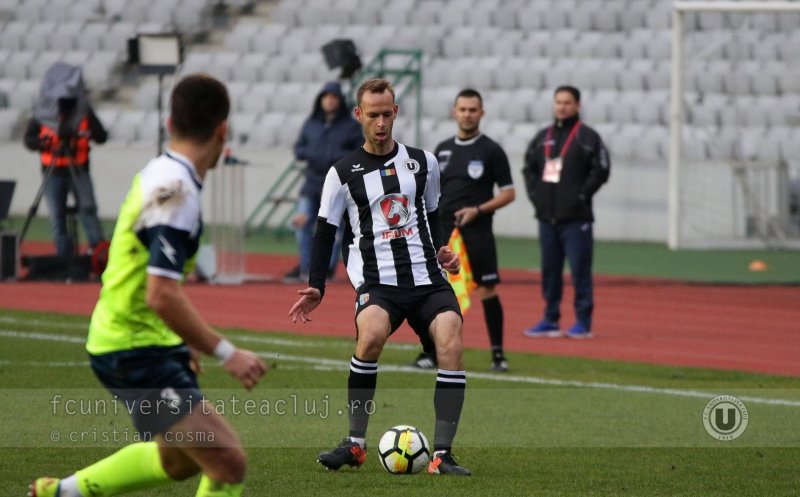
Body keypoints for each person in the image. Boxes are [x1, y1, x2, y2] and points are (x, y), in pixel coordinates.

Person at [29, 74, 267, 497]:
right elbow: (161, 293)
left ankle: (60, 493)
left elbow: (143, 272)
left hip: (143, 339)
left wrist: (181, 339)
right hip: (132, 348)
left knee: (178, 460)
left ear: (170, 123)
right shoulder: (176, 191)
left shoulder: (163, 173)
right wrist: (228, 353)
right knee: (227, 462)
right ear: (222, 131)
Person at [289, 78, 471, 476]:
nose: (381, 122)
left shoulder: (423, 162)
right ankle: (354, 445)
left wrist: (443, 249)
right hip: (378, 282)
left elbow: (434, 213)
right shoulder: (341, 173)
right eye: (373, 115)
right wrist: (317, 285)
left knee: (451, 341)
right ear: (359, 115)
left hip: (427, 279)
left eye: (387, 114)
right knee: (370, 336)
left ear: (396, 112)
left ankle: (442, 456)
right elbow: (325, 231)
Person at [411, 88, 515, 372]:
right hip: (443, 232)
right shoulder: (442, 149)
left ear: (481, 113)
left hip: (477, 231)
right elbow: (428, 191)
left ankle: (498, 356)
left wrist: (477, 210)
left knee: (487, 289)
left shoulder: (491, 150)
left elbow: (509, 193)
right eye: (463, 109)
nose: (467, 114)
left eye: (472, 110)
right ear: (454, 112)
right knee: (436, 291)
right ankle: (432, 352)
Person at [521, 85, 611, 339]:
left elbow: (602, 169)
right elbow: (528, 168)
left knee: (580, 271)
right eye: (558, 102)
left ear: (577, 105)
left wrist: (581, 195)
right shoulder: (543, 136)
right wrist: (536, 196)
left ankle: (583, 322)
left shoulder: (587, 137)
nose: (561, 107)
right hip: (547, 218)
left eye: (567, 102)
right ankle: (551, 319)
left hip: (576, 219)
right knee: (550, 272)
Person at [23, 62, 107, 257]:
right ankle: (64, 257)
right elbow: (29, 140)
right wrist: (43, 143)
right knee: (57, 217)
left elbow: (101, 135)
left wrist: (87, 134)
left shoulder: (83, 111)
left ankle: (98, 254)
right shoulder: (43, 113)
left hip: (79, 169)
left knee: (88, 209)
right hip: (53, 172)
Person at [284, 81, 363, 282]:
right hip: (312, 182)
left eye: (334, 97)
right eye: (326, 97)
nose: (329, 101)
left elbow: (359, 152)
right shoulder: (311, 123)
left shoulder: (351, 126)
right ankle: (306, 266)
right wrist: (311, 153)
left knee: (332, 227)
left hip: (338, 183)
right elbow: (299, 148)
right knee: (302, 223)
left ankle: (326, 268)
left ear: (340, 100)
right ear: (320, 100)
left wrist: (334, 156)